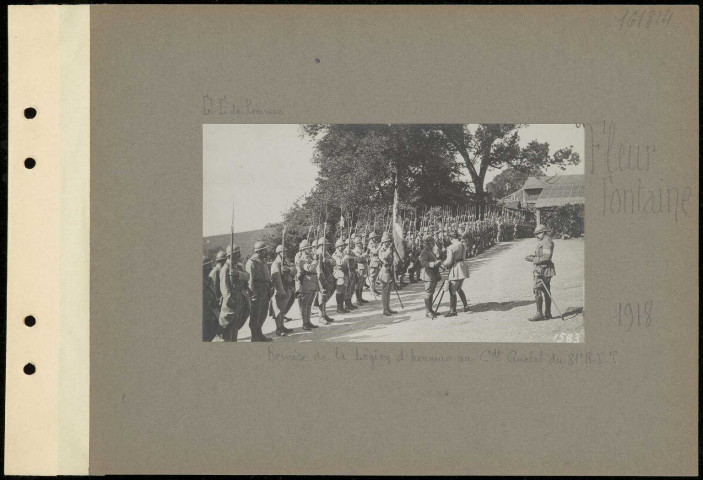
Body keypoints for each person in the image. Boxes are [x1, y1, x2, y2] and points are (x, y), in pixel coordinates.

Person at [216, 244, 251, 342]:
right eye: (237, 253)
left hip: (240, 300)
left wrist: (238, 273)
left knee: (236, 327)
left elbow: (247, 276)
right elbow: (225, 289)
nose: (239, 255)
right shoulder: (225, 269)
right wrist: (231, 302)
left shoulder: (238, 266)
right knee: (228, 329)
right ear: (230, 255)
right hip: (231, 303)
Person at [525, 224, 556, 321]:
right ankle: (548, 313)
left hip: (544, 270)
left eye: (537, 234)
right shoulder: (544, 241)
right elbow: (542, 255)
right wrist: (533, 256)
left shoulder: (547, 242)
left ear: (543, 232)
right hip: (543, 269)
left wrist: (533, 259)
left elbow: (546, 257)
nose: (536, 236)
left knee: (537, 289)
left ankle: (540, 314)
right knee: (546, 291)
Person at [246, 241, 273, 342]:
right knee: (255, 315)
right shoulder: (251, 262)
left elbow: (266, 274)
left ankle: (259, 333)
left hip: (265, 290)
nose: (266, 251)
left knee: (263, 313)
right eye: (264, 250)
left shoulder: (263, 260)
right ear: (260, 251)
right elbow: (250, 281)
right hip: (257, 292)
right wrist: (253, 294)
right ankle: (254, 336)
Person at [441, 230, 470, 317]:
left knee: (452, 290)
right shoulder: (462, 245)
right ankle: (466, 305)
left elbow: (449, 261)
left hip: (455, 269)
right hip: (462, 267)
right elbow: (464, 256)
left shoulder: (451, 247)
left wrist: (443, 265)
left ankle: (453, 311)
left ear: (450, 238)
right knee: (459, 288)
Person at [270, 245, 295, 337]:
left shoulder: (286, 262)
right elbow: (276, 279)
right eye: (283, 252)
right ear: (278, 253)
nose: (285, 253)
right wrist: (281, 291)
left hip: (287, 288)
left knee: (283, 309)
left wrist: (288, 269)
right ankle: (278, 329)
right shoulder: (276, 264)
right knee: (278, 310)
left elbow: (294, 271)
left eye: (285, 251)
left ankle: (282, 326)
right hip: (281, 290)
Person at [295, 239, 319, 330]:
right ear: (303, 249)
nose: (310, 249)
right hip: (306, 283)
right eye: (308, 248)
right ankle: (304, 323)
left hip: (312, 282)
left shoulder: (309, 257)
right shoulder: (301, 260)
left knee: (309, 304)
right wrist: (315, 261)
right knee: (305, 305)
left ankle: (308, 321)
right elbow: (309, 268)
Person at [419, 236, 442, 318]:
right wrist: (433, 264)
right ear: (427, 244)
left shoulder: (431, 251)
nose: (433, 245)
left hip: (433, 274)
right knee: (428, 293)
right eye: (432, 243)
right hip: (428, 274)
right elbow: (423, 263)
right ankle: (428, 311)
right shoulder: (424, 252)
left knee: (431, 292)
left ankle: (431, 309)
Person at [316, 237, 336, 325]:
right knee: (321, 298)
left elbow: (334, 262)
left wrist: (327, 261)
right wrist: (322, 281)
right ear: (320, 245)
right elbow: (319, 269)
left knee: (325, 298)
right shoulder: (318, 253)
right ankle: (321, 316)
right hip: (321, 278)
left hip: (328, 276)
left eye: (326, 245)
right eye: (324, 245)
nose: (326, 247)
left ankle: (324, 314)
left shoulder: (326, 253)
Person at [377, 233, 397, 316]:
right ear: (383, 242)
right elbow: (383, 257)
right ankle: (385, 309)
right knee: (385, 291)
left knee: (389, 291)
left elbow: (394, 255)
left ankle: (388, 307)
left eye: (389, 241)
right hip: (385, 270)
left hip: (390, 269)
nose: (388, 243)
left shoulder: (389, 248)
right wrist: (389, 249)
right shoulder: (381, 250)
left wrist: (393, 249)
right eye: (387, 241)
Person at [202, 255, 220, 341]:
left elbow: (213, 293)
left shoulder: (210, 279)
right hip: (204, 315)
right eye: (208, 265)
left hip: (212, 313)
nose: (210, 267)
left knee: (210, 335)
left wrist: (216, 301)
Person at [332, 239, 351, 314]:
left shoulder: (344, 253)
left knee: (344, 290)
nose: (343, 247)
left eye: (343, 245)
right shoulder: (335, 254)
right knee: (339, 291)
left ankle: (342, 307)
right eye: (341, 246)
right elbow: (339, 263)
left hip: (345, 272)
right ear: (337, 247)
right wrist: (345, 258)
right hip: (339, 273)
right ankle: (339, 307)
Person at [353, 237, 369, 305]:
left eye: (360, 242)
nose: (360, 244)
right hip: (360, 267)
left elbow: (366, 256)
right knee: (358, 283)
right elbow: (359, 258)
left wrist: (365, 254)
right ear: (356, 244)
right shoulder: (355, 250)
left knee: (362, 283)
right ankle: (357, 299)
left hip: (364, 266)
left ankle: (360, 298)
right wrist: (366, 254)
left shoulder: (361, 249)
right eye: (359, 243)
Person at [366, 232, 381, 296]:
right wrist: (379, 246)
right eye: (373, 237)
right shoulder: (371, 244)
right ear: (371, 238)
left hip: (377, 261)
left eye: (375, 237)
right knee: (372, 277)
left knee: (375, 277)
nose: (375, 238)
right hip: (373, 261)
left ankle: (374, 289)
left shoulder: (376, 243)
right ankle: (371, 291)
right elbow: (375, 251)